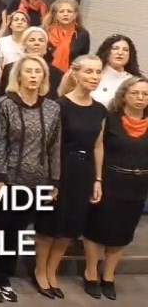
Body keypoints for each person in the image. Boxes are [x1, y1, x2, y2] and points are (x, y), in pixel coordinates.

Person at [0, 54, 61, 304]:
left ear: (44, 77)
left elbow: (54, 147)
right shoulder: (5, 104)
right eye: (29, 71)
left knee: (17, 232)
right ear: (19, 76)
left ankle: (4, 277)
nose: (34, 76)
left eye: (38, 71)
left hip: (37, 181)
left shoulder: (53, 108)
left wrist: (54, 181)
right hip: (8, 179)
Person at [33, 55, 106, 299]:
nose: (94, 77)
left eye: (98, 72)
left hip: (84, 172)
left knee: (71, 227)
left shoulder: (100, 109)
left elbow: (98, 146)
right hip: (60, 169)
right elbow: (48, 145)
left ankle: (52, 271)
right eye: (89, 71)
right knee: (49, 224)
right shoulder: (59, 105)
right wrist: (50, 179)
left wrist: (98, 179)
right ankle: (40, 270)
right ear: (75, 74)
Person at [83, 77, 148, 300]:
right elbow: (97, 149)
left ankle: (108, 276)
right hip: (110, 181)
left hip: (138, 185)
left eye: (145, 94)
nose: (140, 98)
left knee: (123, 232)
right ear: (124, 96)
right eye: (135, 93)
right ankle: (91, 273)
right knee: (96, 229)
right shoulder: (110, 119)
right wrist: (97, 179)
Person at [44, 0, 91, 73]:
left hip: (70, 75)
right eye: (61, 11)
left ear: (75, 14)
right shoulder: (45, 31)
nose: (65, 14)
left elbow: (83, 59)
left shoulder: (82, 34)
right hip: (45, 72)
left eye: (69, 11)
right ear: (55, 14)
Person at [93, 34, 141, 107]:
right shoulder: (93, 74)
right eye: (115, 48)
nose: (120, 53)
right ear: (106, 51)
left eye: (125, 50)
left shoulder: (134, 81)